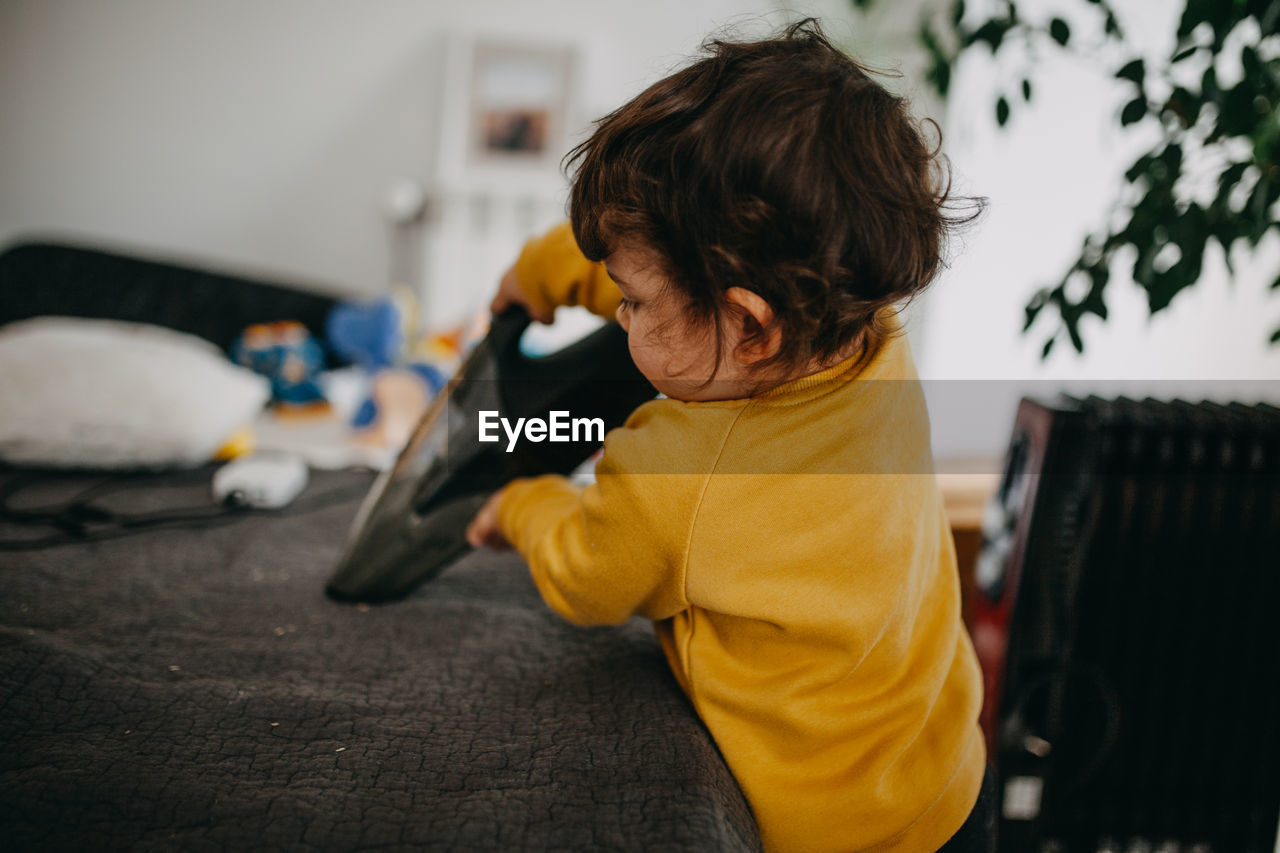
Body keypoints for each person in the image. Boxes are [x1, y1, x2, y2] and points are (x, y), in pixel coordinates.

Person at [465, 19, 993, 852]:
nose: (622, 308)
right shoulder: (860, 323)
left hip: (827, 833)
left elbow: (586, 578)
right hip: (948, 773)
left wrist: (524, 503)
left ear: (751, 327)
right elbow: (697, 293)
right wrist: (550, 268)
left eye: (629, 298)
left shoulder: (679, 475)